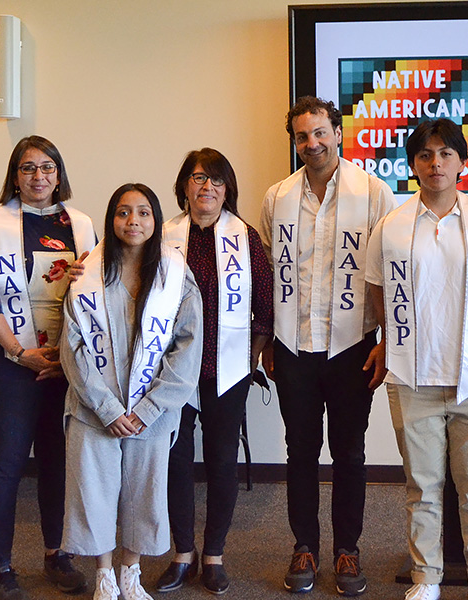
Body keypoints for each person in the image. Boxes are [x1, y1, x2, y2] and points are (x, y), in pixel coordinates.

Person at [366, 119, 468, 600]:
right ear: (412, 165)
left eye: (446, 153)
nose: (435, 163)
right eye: (425, 155)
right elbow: (376, 290)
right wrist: (389, 341)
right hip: (412, 377)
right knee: (421, 489)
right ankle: (425, 578)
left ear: (462, 162)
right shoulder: (391, 226)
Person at [259, 96, 396, 596]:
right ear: (294, 142)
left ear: (338, 132)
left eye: (320, 132)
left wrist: (384, 339)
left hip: (352, 346)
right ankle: (304, 545)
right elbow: (270, 271)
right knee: (300, 451)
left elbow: (388, 273)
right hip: (293, 345)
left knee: (350, 453)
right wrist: (266, 338)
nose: (311, 143)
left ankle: (347, 549)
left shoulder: (374, 192)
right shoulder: (277, 197)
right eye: (301, 136)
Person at [61, 183, 202, 600]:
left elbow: (187, 345)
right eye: (123, 213)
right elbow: (73, 347)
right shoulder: (86, 273)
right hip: (94, 408)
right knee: (93, 488)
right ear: (111, 219)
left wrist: (151, 407)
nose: (133, 221)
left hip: (151, 409)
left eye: (143, 213)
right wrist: (106, 407)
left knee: (145, 490)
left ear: (156, 220)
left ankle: (131, 571)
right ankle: (103, 574)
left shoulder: (176, 274)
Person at [0, 135, 96, 600]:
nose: (38, 176)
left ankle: (56, 553)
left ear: (59, 173)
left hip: (64, 364)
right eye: (28, 168)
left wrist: (65, 357)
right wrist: (20, 352)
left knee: (58, 461)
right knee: (6, 463)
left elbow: (99, 294)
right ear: (14, 175)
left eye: (47, 167)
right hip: (12, 361)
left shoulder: (81, 226)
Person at [156, 149, 273, 595]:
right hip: (171, 370)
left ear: (228, 189)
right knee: (175, 459)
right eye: (199, 178)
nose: (207, 188)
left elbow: (264, 307)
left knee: (223, 461)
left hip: (228, 367)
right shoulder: (162, 235)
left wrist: (251, 358)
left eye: (217, 180)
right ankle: (182, 553)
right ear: (185, 185)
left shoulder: (245, 237)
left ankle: (214, 555)